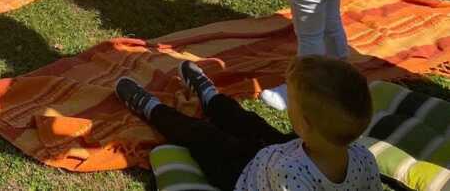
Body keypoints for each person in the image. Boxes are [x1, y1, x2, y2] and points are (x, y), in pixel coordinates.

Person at [115, 56, 381, 191]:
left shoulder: (291, 175)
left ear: (305, 124)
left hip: (241, 175)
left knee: (203, 135)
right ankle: (210, 98)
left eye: (293, 104)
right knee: (247, 121)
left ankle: (151, 108)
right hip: (278, 154)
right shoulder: (363, 158)